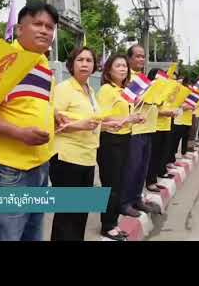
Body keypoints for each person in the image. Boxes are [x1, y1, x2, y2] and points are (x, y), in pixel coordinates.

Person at [0, 1, 66, 241]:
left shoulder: (41, 63)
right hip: (7, 171)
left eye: (50, 27)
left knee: (32, 235)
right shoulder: (0, 59)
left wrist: (53, 116)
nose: (44, 30)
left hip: (40, 166)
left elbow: (29, 103)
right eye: (37, 24)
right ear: (20, 29)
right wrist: (20, 134)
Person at [50, 46, 112, 241]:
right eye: (80, 60)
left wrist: (113, 125)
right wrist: (80, 125)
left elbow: (92, 124)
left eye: (89, 60)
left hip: (87, 158)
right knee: (66, 216)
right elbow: (52, 123)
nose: (85, 64)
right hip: (67, 159)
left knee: (80, 215)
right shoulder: (63, 89)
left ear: (95, 66)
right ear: (72, 64)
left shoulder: (91, 91)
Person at [96, 54, 144, 241]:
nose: (123, 69)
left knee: (120, 183)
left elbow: (124, 116)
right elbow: (102, 118)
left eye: (125, 66)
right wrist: (127, 119)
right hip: (110, 140)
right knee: (111, 185)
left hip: (125, 139)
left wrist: (135, 118)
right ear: (109, 70)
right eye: (118, 66)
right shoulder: (106, 90)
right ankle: (107, 225)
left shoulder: (124, 90)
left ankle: (113, 222)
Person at [120, 45, 157, 217]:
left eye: (143, 57)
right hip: (134, 130)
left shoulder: (144, 79)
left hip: (148, 128)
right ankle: (125, 203)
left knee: (142, 168)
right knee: (132, 168)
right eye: (138, 56)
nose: (142, 60)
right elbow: (128, 101)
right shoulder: (128, 78)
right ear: (129, 58)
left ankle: (137, 199)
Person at [145, 68, 177, 192]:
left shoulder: (90, 91)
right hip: (150, 128)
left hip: (88, 151)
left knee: (158, 155)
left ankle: (132, 199)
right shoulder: (107, 90)